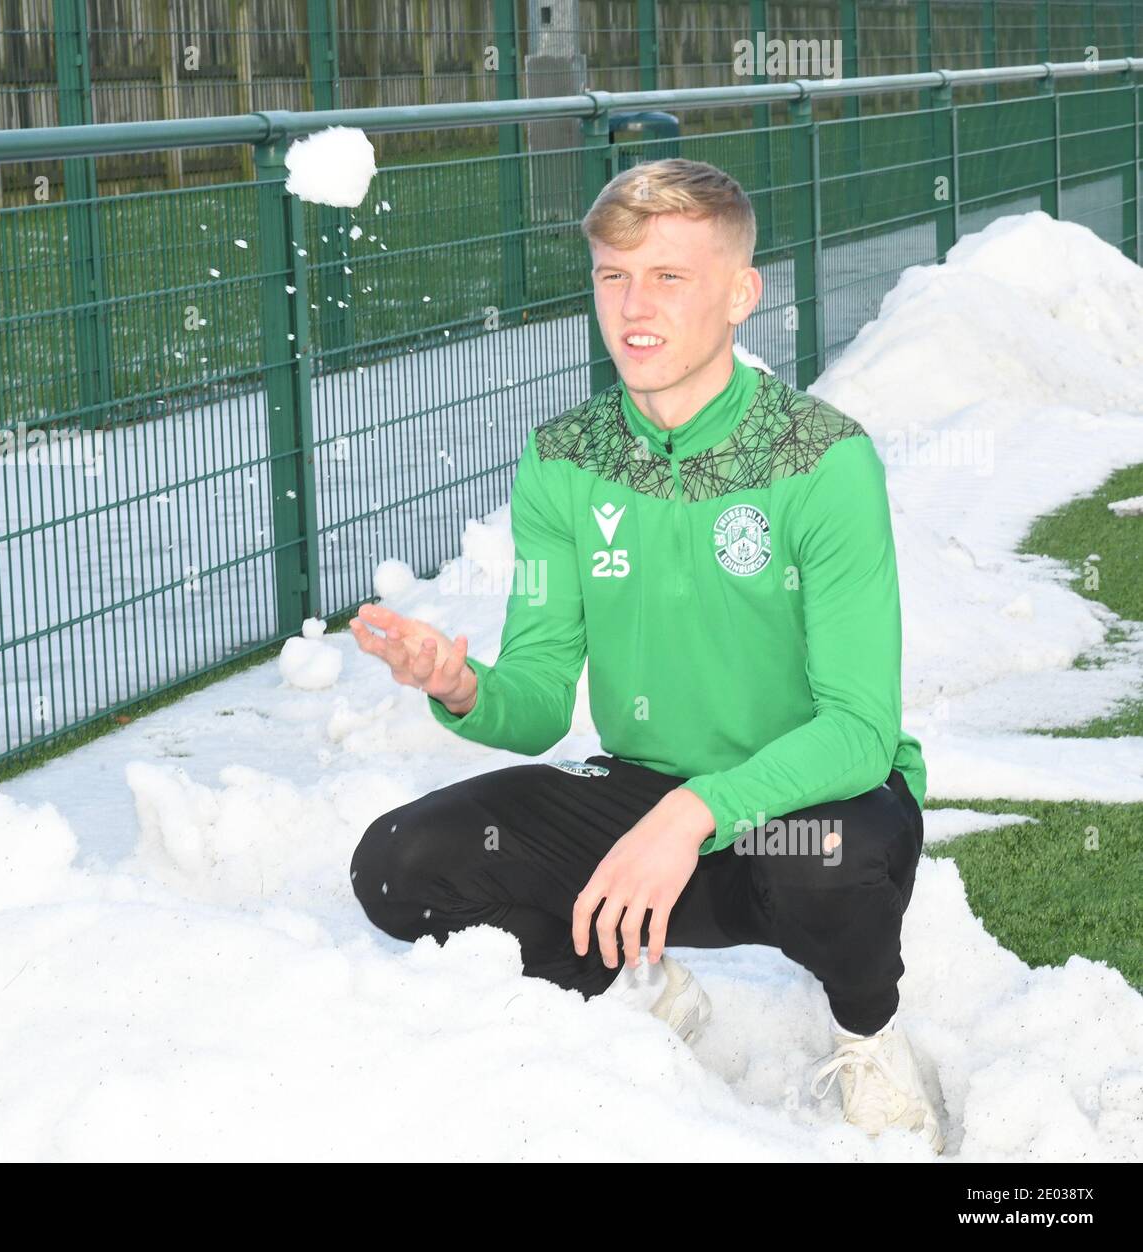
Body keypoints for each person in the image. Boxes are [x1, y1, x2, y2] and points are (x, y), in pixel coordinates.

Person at [347, 158, 944, 1154]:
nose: (632, 307)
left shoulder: (821, 459)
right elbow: (537, 695)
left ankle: (869, 1037)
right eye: (611, 277)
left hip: (784, 830)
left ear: (739, 293)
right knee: (399, 865)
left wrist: (691, 811)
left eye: (668, 277)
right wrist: (459, 685)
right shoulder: (562, 460)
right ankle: (633, 980)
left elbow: (858, 727)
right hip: (640, 816)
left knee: (831, 858)